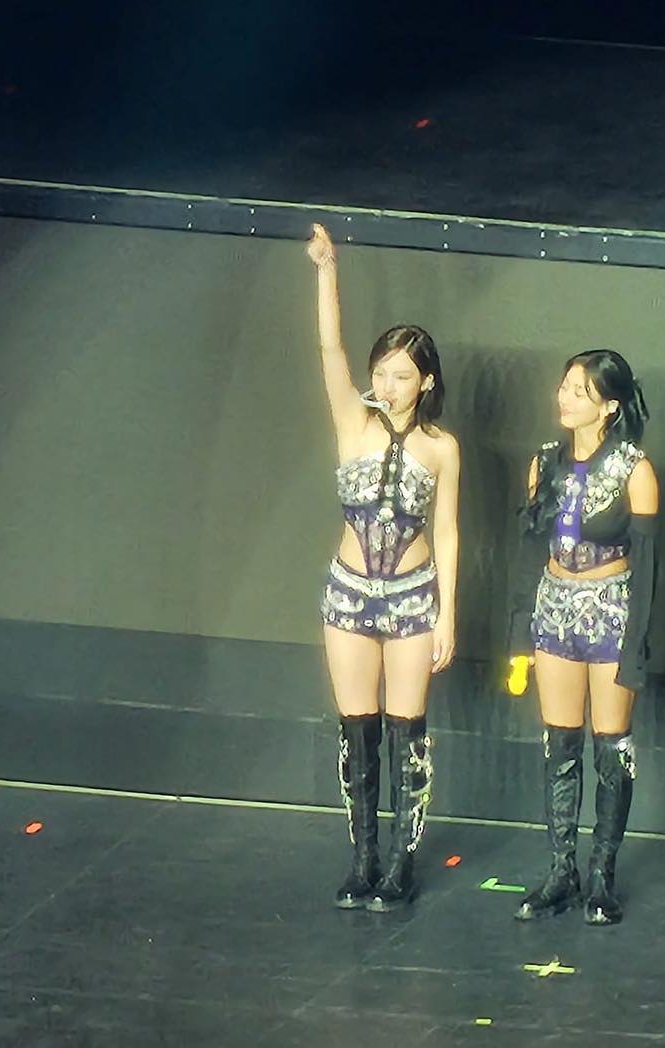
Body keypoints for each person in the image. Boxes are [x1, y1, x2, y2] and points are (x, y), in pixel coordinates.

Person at [307, 224, 460, 911]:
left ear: (425, 382)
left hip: (411, 595)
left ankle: (401, 861)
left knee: (407, 729)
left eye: (401, 375)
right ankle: (362, 855)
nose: (387, 385)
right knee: (356, 726)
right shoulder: (353, 422)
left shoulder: (441, 447)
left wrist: (446, 615)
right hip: (349, 592)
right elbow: (329, 348)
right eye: (381, 373)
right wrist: (326, 272)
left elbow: (448, 531)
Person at [508, 350, 657, 926]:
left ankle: (602, 875)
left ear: (609, 406)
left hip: (610, 608)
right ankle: (560, 870)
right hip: (554, 606)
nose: (565, 398)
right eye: (565, 386)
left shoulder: (634, 470)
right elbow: (528, 550)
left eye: (580, 391)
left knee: (610, 745)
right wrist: (519, 634)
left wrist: (636, 646)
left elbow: (648, 567)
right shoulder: (543, 462)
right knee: (560, 742)